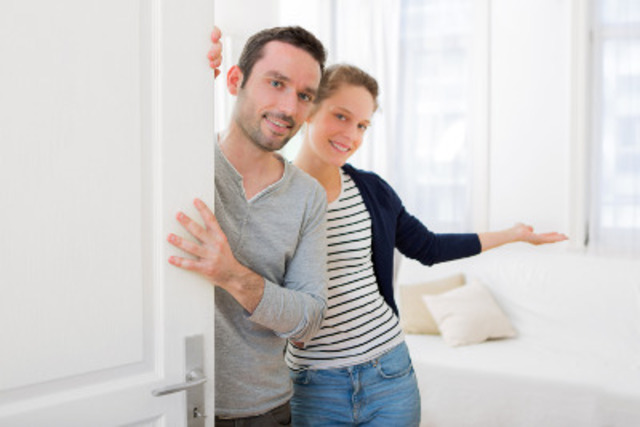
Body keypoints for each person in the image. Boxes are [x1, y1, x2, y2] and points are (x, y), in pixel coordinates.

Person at [286, 64, 569, 426]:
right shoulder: (275, 195)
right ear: (309, 108)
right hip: (313, 386)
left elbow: (429, 247)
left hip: (389, 372)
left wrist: (512, 234)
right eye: (341, 116)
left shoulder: (372, 190)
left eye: (362, 126)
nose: (351, 135)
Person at [169, 26, 330, 426]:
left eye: (304, 95)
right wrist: (182, 70)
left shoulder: (308, 196)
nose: (289, 108)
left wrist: (231, 275)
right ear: (234, 80)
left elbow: (308, 318)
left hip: (265, 411)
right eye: (276, 83)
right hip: (171, 402)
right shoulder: (180, 159)